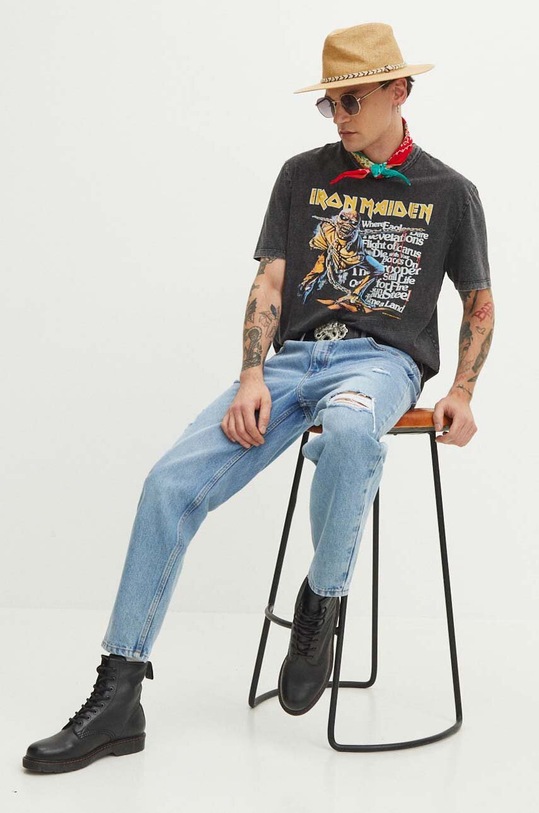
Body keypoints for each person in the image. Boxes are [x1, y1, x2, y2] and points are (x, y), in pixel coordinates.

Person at [23, 22, 494, 773]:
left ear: (398, 91)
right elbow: (271, 281)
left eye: (352, 99)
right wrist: (250, 374)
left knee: (349, 432)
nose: (338, 116)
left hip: (380, 365)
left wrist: (463, 390)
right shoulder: (300, 175)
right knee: (167, 484)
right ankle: (120, 693)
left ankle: (319, 604)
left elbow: (477, 301)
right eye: (329, 103)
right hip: (292, 362)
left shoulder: (451, 192)